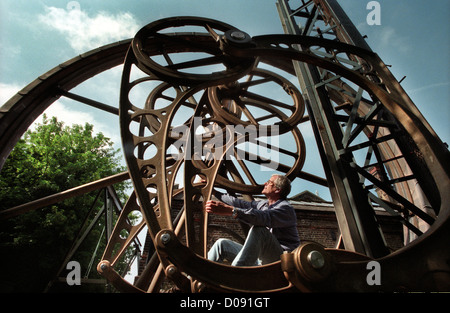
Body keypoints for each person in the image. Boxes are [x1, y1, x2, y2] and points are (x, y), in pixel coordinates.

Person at [206, 174, 300, 266]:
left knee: (260, 230)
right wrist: (214, 192)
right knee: (221, 244)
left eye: (269, 182)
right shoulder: (263, 205)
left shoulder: (286, 209)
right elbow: (238, 203)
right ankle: (200, 278)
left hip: (280, 260)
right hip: (261, 259)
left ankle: (237, 274)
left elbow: (262, 217)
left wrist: (232, 211)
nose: (265, 183)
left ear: (277, 190)